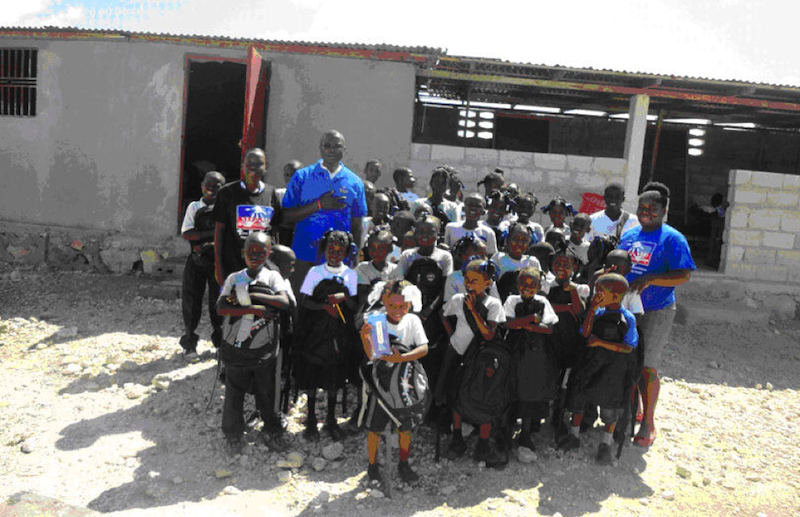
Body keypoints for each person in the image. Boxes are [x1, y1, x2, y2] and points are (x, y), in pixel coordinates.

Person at [617, 187, 695, 447]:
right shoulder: (629, 235)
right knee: (628, 363)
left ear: (664, 211)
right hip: (627, 308)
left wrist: (651, 279)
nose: (645, 213)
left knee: (647, 366)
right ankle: (630, 413)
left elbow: (683, 274)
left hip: (656, 310)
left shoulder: (672, 239)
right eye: (642, 208)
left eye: (652, 209)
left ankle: (648, 422)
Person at [216, 232, 290, 454]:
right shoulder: (234, 278)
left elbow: (283, 301)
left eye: (261, 252)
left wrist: (253, 296)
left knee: (267, 391)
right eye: (251, 252)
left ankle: (272, 430)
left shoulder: (272, 277)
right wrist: (252, 309)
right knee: (234, 392)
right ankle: (233, 434)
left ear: (268, 254)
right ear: (243, 253)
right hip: (237, 347)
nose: (256, 256)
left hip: (263, 347)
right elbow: (220, 307)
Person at [558, 273, 638, 465]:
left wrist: (601, 343)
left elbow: (628, 346)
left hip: (613, 370)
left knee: (610, 406)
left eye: (601, 292)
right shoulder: (598, 312)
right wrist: (592, 308)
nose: (597, 294)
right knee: (579, 398)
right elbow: (585, 333)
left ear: (617, 295)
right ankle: (574, 435)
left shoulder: (627, 318)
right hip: (590, 364)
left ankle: (606, 444)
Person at [359, 279, 429, 488]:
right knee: (375, 428)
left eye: (402, 306)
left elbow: (424, 348)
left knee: (405, 426)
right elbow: (373, 355)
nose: (397, 310)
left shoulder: (413, 321)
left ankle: (403, 463)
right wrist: (365, 338)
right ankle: (372, 465)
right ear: (383, 301)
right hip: (379, 382)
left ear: (410, 303)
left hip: (405, 381)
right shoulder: (377, 320)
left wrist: (401, 359)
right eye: (391, 305)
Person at [281, 130, 368, 295]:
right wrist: (319, 204)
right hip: (304, 255)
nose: (332, 150)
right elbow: (285, 217)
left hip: (339, 259)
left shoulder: (355, 182)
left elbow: (357, 224)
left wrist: (355, 256)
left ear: (344, 149)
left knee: (333, 310)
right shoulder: (302, 177)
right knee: (302, 309)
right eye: (327, 146)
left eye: (337, 146)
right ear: (320, 148)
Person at [293, 230, 359, 442]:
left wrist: (344, 297)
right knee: (312, 377)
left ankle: (331, 420)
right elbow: (304, 301)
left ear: (347, 252)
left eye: (340, 250)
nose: (335, 253)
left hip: (338, 336)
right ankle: (311, 420)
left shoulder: (350, 274)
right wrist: (323, 307)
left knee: (334, 378)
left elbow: (355, 305)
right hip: (315, 334)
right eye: (331, 249)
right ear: (324, 249)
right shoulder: (315, 272)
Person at [441, 258, 507, 467]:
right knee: (456, 396)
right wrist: (452, 334)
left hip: (481, 358)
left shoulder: (493, 304)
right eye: (467, 280)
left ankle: (483, 444)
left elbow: (489, 334)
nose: (469, 284)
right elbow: (444, 315)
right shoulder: (459, 299)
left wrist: (474, 312)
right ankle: (457, 437)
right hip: (459, 353)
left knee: (484, 396)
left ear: (488, 282)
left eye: (475, 280)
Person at [503, 267, 558, 451]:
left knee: (530, 390)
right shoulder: (512, 300)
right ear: (517, 285)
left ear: (539, 286)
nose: (526, 288)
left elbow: (549, 328)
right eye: (523, 284)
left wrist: (523, 325)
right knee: (511, 387)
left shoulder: (542, 301)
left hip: (535, 354)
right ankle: (506, 429)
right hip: (514, 351)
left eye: (532, 285)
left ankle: (526, 432)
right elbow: (507, 323)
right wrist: (531, 320)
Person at [212, 148, 282, 286]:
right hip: (234, 266)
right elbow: (219, 232)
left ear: (266, 168)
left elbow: (274, 231)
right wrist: (218, 266)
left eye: (258, 163)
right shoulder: (227, 193)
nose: (253, 167)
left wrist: (275, 262)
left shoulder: (271, 193)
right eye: (249, 162)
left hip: (263, 269)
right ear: (242, 166)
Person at [180, 171, 225, 359]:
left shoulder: (224, 207)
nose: (212, 189)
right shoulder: (194, 207)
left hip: (217, 262)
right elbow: (187, 233)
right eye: (209, 184)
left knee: (218, 303)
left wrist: (205, 238)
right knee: (191, 302)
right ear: (201, 185)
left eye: (217, 186)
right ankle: (189, 344)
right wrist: (212, 235)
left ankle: (220, 344)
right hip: (197, 261)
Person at [276, 160, 302, 246]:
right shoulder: (278, 194)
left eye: (294, 175)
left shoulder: (308, 197)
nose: (290, 179)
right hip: (281, 237)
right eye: (287, 175)